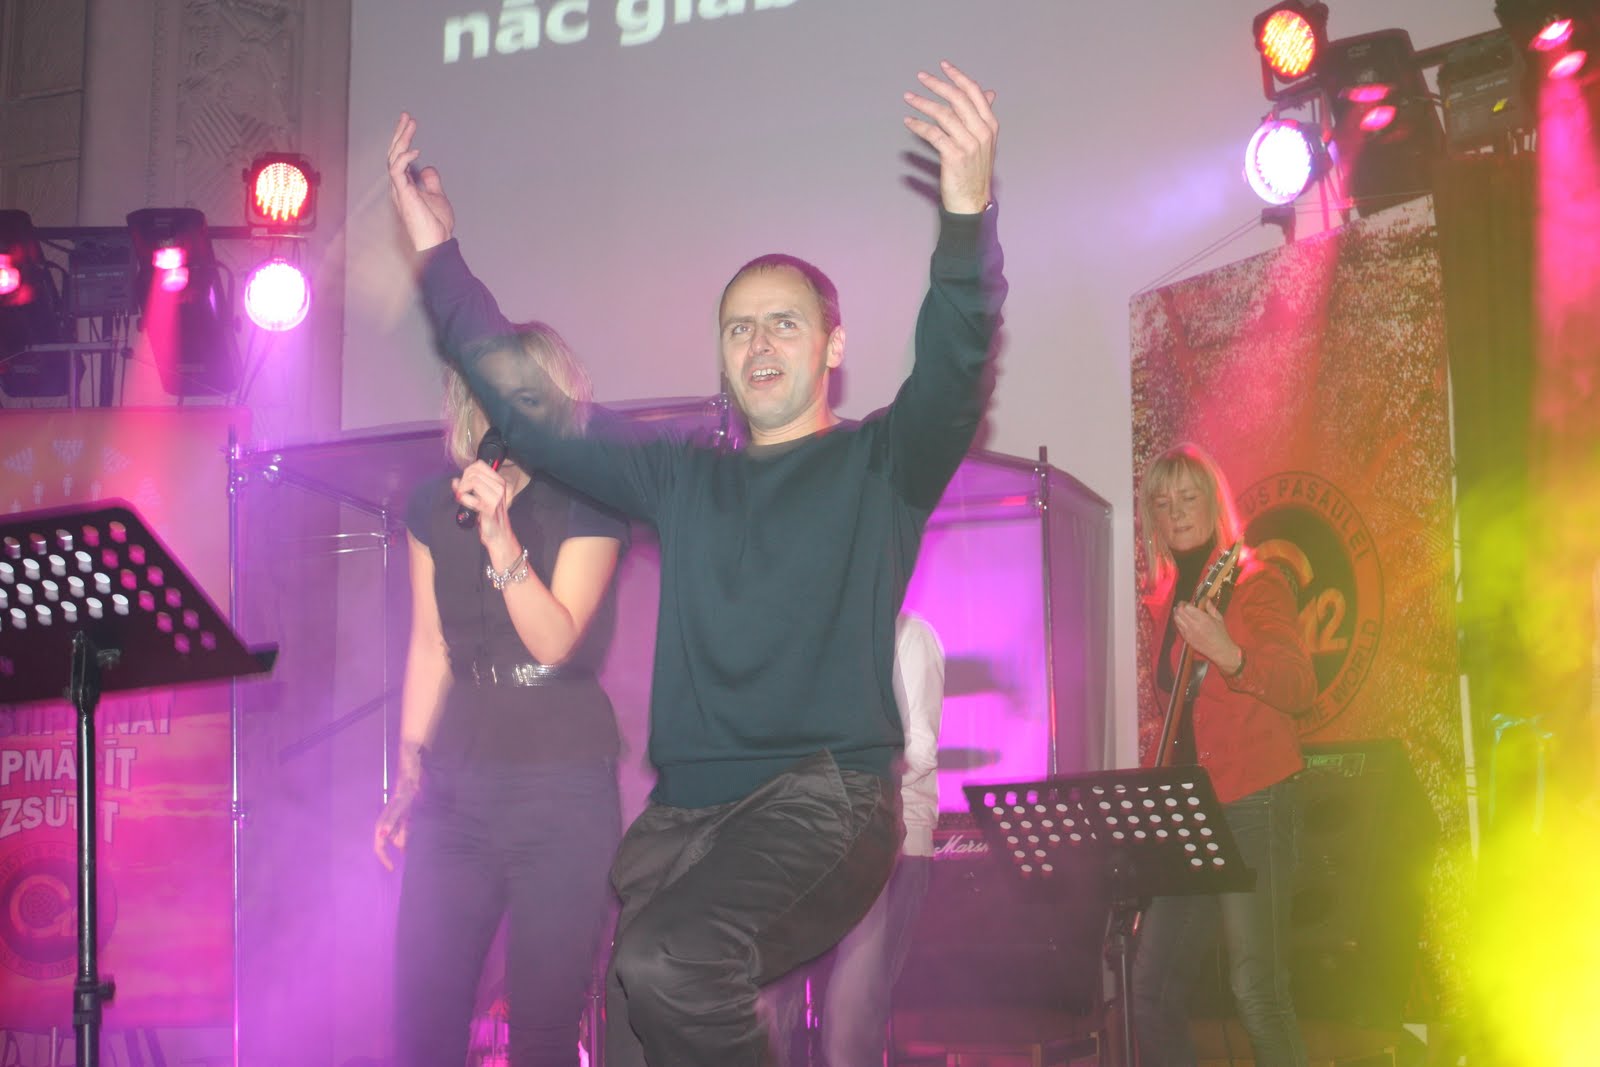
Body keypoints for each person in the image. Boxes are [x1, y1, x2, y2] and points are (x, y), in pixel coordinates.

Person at [385, 59, 1004, 1067]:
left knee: (669, 961)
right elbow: (529, 409)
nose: (758, 341)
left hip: (824, 802)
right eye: (738, 327)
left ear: (832, 346)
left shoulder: (882, 463)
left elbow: (955, 361)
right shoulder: (681, 477)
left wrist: (968, 213)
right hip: (682, 818)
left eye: (784, 321)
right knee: (633, 1014)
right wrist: (439, 259)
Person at [372, 329, 629, 1067]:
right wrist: (408, 771)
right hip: (456, 786)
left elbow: (555, 639)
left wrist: (501, 539)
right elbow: (431, 646)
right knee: (422, 1024)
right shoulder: (433, 503)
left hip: (561, 786)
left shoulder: (591, 500)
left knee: (540, 1033)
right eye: (489, 392)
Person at [1131, 443, 1315, 1067]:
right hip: (1191, 812)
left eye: (1188, 498)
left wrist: (1231, 655)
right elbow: (1177, 723)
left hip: (1254, 800)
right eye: (1162, 503)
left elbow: (1299, 686)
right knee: (1149, 994)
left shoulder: (1256, 582)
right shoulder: (1164, 600)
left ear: (1215, 504)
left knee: (1256, 992)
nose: (1176, 512)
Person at [767, 612, 945, 1067]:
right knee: (769, 1010)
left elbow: (919, 748)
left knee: (849, 1029)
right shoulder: (816, 636)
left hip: (893, 849)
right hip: (815, 850)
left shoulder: (907, 635)